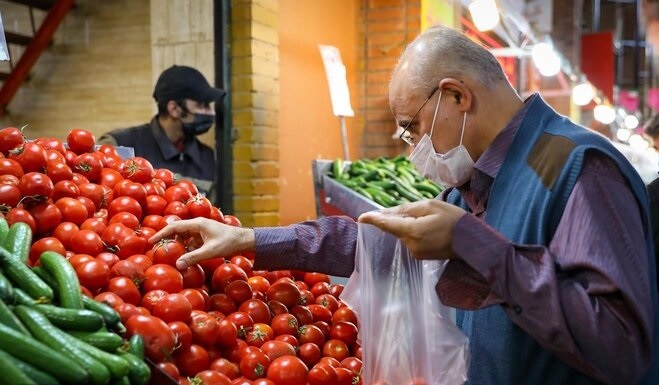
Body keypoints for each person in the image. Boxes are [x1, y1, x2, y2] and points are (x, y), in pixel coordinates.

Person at [151, 26, 658, 385]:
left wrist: (472, 242)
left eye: (411, 126)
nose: (409, 145)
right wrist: (250, 241)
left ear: (455, 96)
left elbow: (621, 347)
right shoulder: (477, 179)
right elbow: (377, 235)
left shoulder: (574, 166)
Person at [98, 65, 225, 198]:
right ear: (174, 109)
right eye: (202, 105)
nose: (211, 113)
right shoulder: (119, 145)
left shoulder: (208, 157)